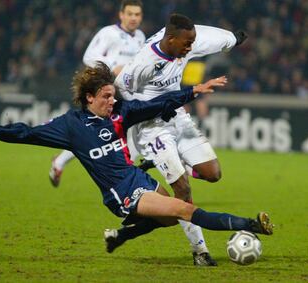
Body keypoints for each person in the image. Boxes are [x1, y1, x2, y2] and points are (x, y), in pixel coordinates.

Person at [0, 63, 273, 262]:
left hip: (138, 179)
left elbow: (158, 103)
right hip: (121, 194)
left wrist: (192, 91)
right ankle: (251, 224)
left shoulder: (120, 115)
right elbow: (30, 133)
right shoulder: (71, 126)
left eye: (114, 96)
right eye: (106, 96)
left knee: (167, 219)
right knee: (183, 209)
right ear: (89, 97)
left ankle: (120, 235)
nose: (113, 101)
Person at [114, 14, 248, 264]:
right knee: (182, 189)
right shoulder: (143, 64)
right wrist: (128, 137)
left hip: (177, 116)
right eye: (187, 44)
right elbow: (121, 94)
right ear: (171, 39)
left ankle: (173, 162)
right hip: (152, 127)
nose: (190, 48)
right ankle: (200, 251)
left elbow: (207, 38)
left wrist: (232, 39)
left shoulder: (185, 41)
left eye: (191, 43)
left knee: (213, 173)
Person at [49, 0, 145, 188]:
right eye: (130, 14)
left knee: (128, 131)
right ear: (121, 15)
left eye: (137, 14)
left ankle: (130, 174)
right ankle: (60, 162)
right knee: (94, 134)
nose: (134, 18)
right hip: (107, 92)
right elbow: (89, 57)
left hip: (129, 93)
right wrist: (113, 66)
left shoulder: (140, 36)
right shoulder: (108, 33)